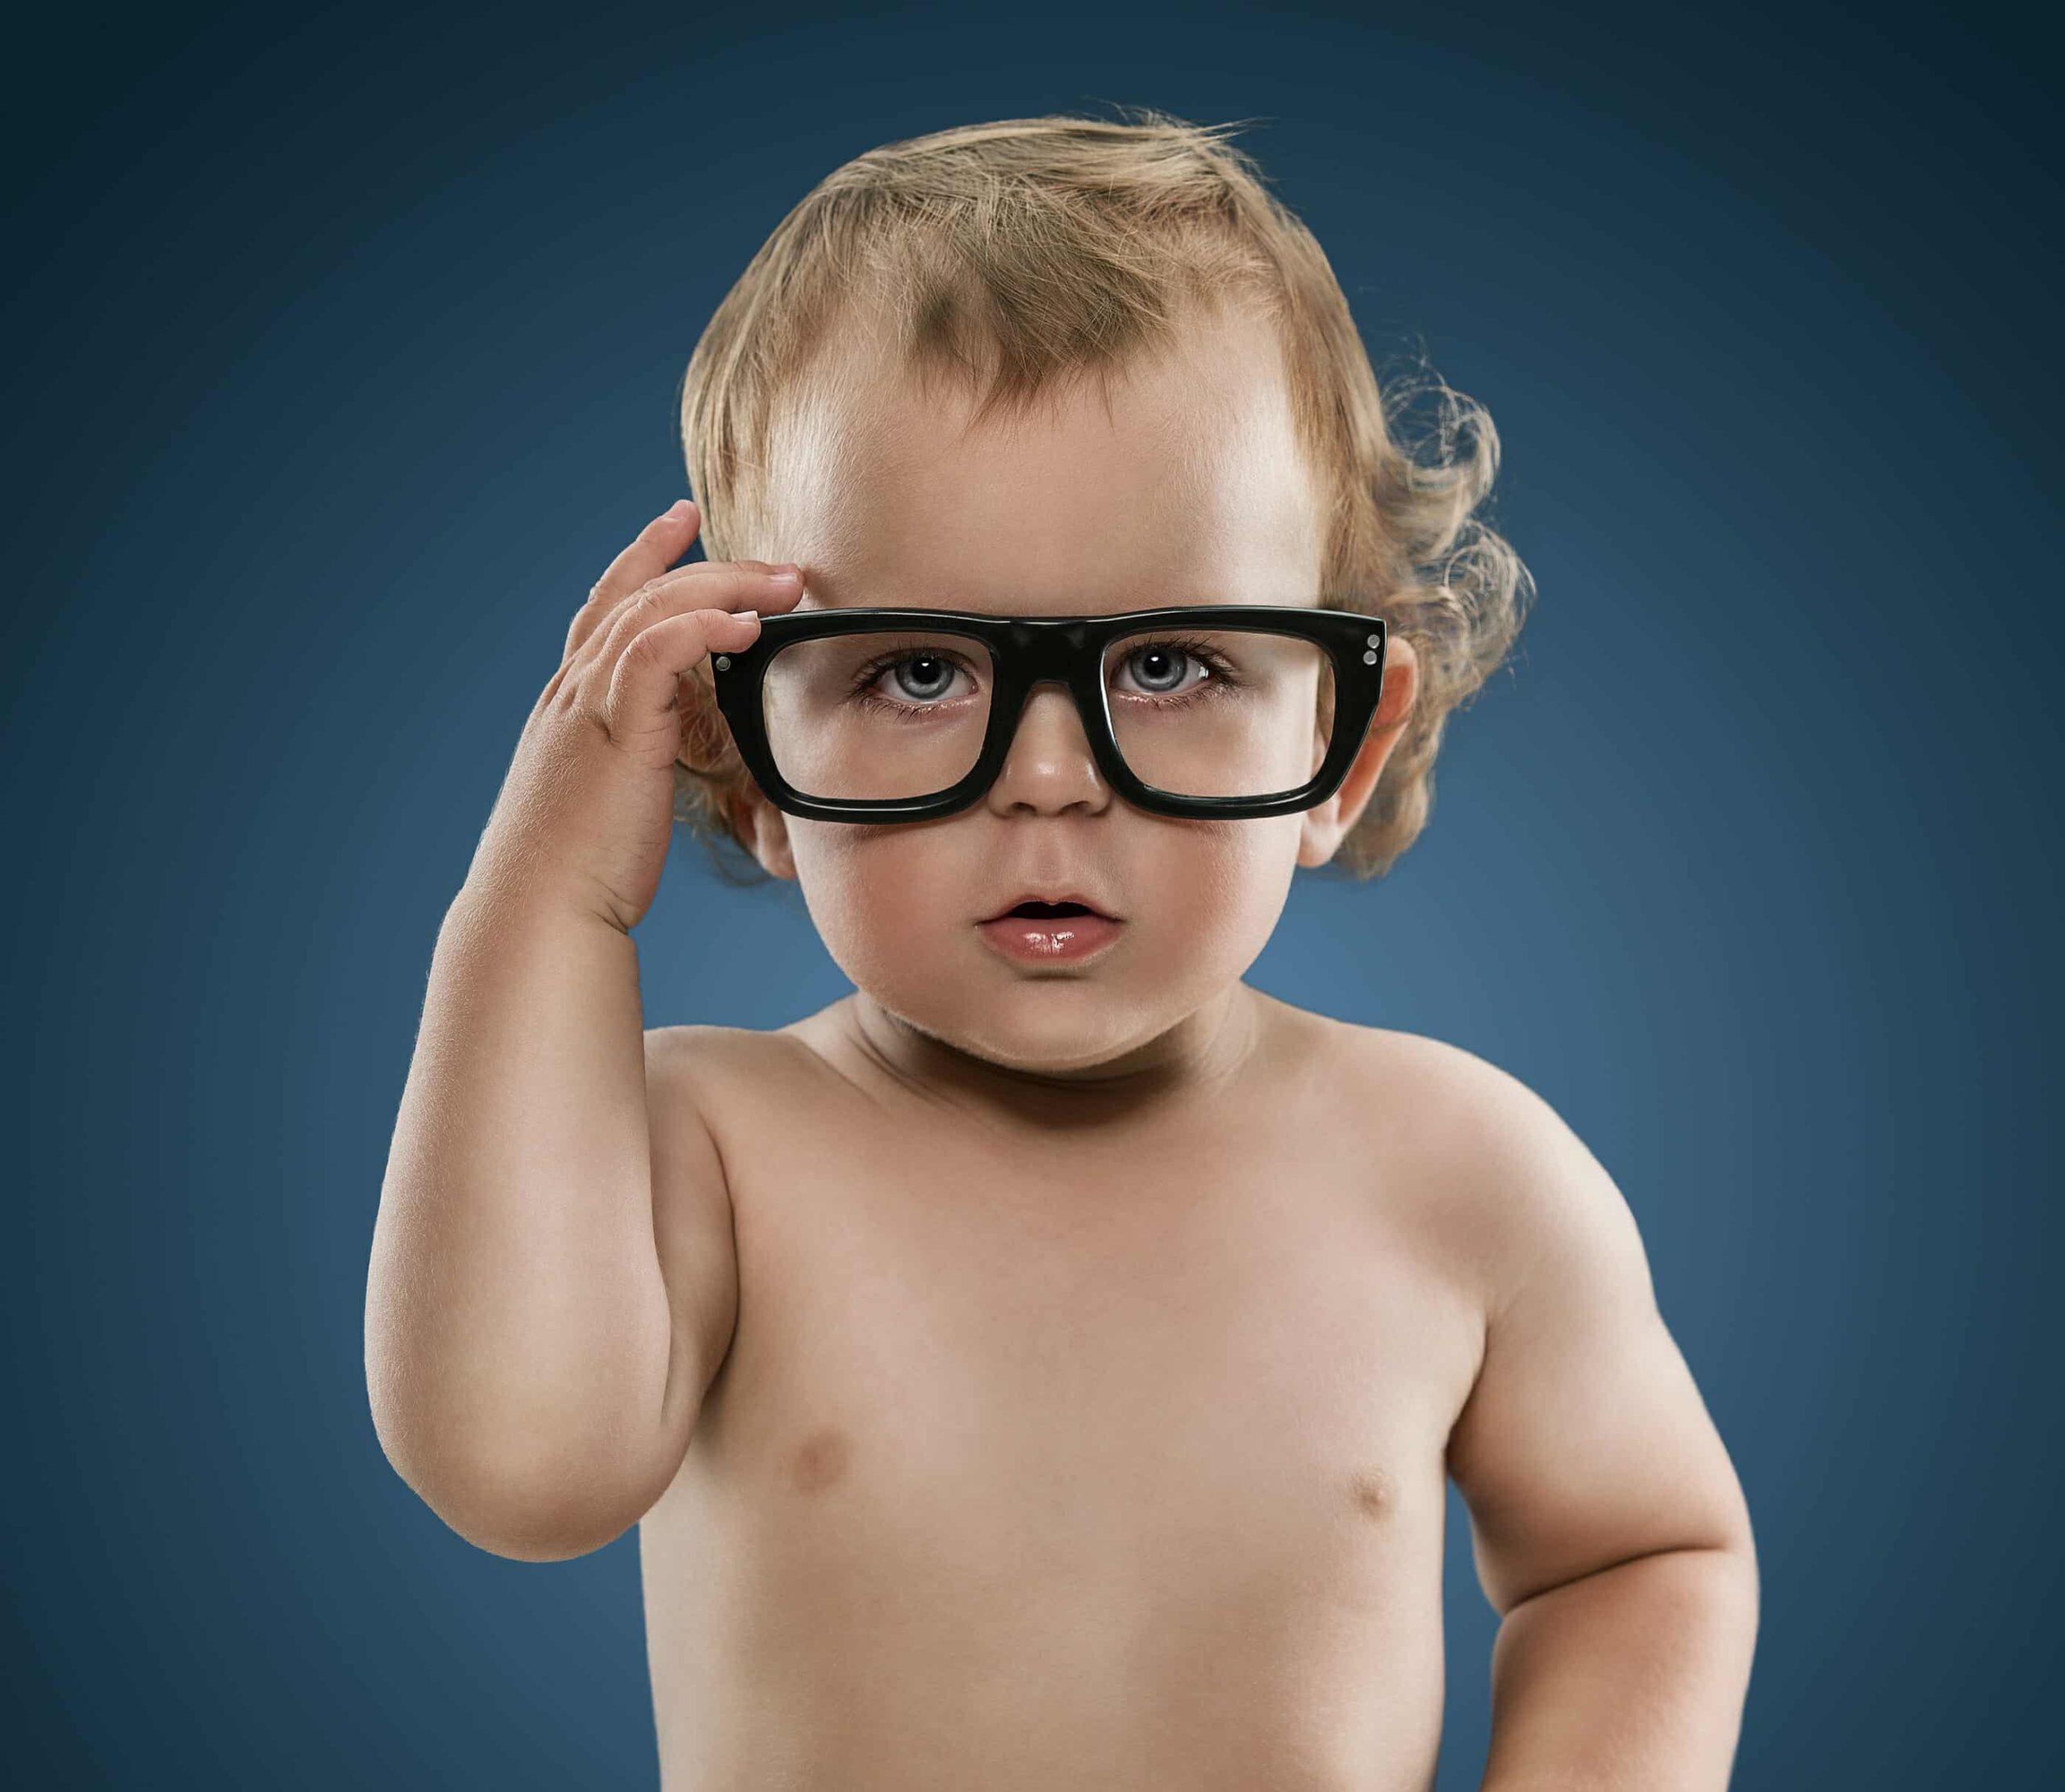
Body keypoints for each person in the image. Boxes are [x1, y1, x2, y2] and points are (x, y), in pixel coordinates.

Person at [365, 110, 1757, 1790]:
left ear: (1342, 736)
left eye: (1170, 664)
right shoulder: (704, 1150)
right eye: (917, 671)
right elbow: (513, 1467)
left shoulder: (1462, 1171)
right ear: (736, 764)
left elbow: (1640, 1555)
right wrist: (546, 897)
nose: (1047, 775)